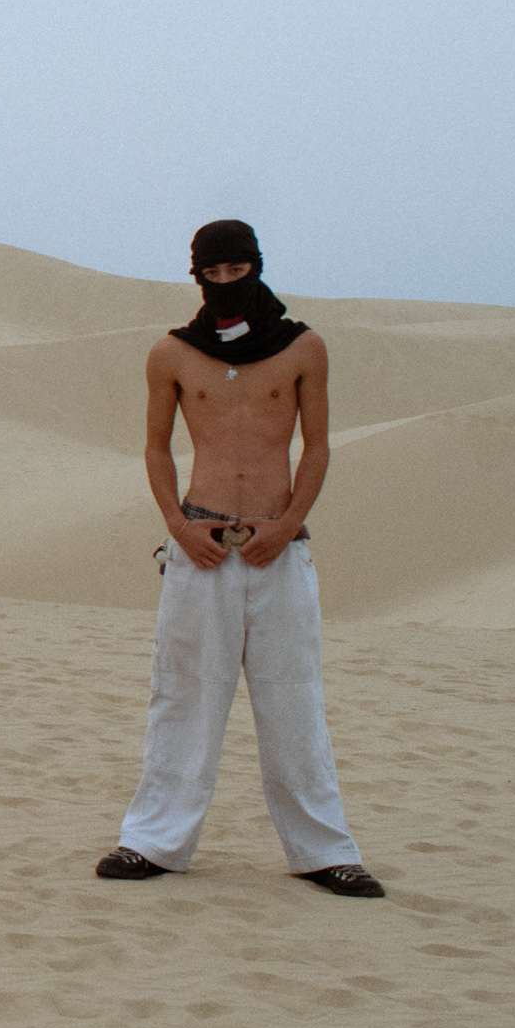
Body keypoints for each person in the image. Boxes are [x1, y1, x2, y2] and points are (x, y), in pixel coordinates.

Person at [97, 219, 383, 897]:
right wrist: (176, 524)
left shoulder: (302, 348)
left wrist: (288, 525)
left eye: (237, 269)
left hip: (277, 552)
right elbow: (158, 448)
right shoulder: (172, 354)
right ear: (197, 276)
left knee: (293, 699)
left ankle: (323, 849)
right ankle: (154, 842)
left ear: (257, 266)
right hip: (199, 547)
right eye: (214, 273)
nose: (227, 282)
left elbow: (315, 447)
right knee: (183, 696)